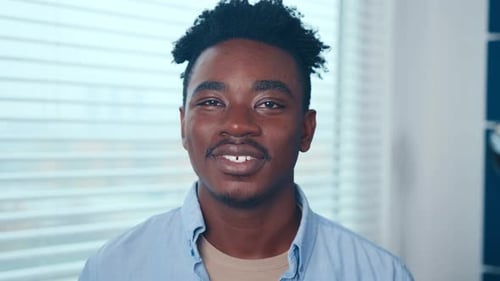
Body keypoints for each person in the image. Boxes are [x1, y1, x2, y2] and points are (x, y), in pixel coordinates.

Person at [79, 0, 414, 280]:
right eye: (212, 102)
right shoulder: (113, 269)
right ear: (184, 125)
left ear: (306, 130)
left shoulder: (379, 274)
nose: (238, 125)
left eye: (268, 104)